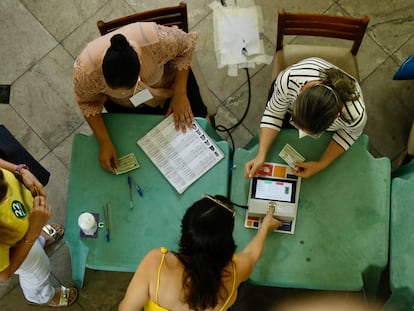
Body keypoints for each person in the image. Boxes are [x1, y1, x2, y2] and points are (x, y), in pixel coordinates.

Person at [73, 22, 208, 173]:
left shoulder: (158, 41)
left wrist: (180, 94)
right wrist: (104, 142)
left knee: (199, 126)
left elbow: (186, 46)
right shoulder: (86, 72)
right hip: (128, 104)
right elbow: (87, 103)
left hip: (171, 84)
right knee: (137, 149)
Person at [118, 194, 282, 311]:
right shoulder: (234, 273)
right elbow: (252, 256)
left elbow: (125, 309)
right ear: (226, 243)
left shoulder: (156, 264)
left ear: (186, 232)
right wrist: (265, 228)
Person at [245, 57, 367, 179]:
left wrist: (321, 164)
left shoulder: (355, 116)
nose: (300, 134)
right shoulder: (289, 80)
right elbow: (274, 112)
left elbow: (350, 134)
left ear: (337, 116)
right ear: (300, 92)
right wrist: (261, 155)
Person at [0, 159, 78, 307]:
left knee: (34, 240)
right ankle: (42, 296)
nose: (7, 186)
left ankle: (39, 239)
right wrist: (32, 233)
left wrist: (19, 171)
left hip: (21, 225)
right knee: (38, 270)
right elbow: (4, 273)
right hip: (15, 252)